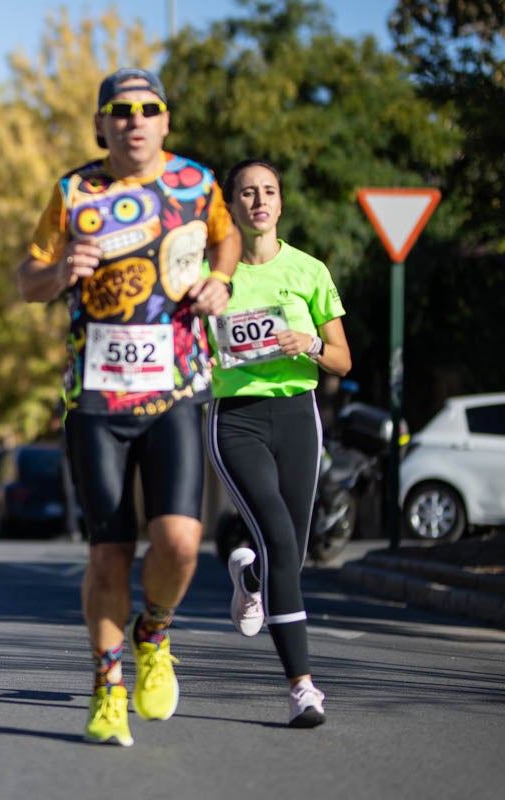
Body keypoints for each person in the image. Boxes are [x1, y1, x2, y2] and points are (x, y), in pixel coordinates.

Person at [16, 68, 239, 746]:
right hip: (95, 399)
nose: (135, 119)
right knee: (109, 554)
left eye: (149, 109)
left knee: (179, 540)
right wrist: (60, 274)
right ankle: (108, 684)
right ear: (102, 123)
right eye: (121, 109)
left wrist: (221, 281)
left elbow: (225, 239)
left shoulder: (198, 185)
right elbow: (26, 279)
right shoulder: (73, 192)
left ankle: (156, 631)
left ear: (165, 121)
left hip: (174, 390)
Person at [206, 159, 351, 728]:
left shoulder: (309, 270)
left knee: (292, 543)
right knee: (281, 543)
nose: (259, 200)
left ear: (280, 203)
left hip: (296, 417)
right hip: (237, 419)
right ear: (232, 206)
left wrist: (309, 341)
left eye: (268, 191)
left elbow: (341, 358)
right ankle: (302, 687)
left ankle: (250, 578)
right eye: (247, 192)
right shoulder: (214, 275)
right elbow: (185, 343)